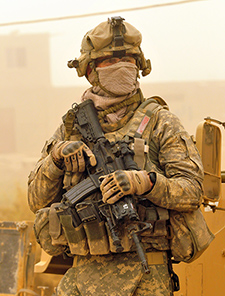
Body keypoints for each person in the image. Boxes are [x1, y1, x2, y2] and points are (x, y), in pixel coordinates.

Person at [28, 17, 205, 296]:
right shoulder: (71, 127)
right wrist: (56, 158)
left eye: (129, 60)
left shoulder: (160, 122)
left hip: (145, 276)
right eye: (109, 62)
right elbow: (36, 200)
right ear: (90, 71)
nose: (121, 67)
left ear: (140, 67)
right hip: (81, 278)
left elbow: (194, 191)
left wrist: (146, 182)